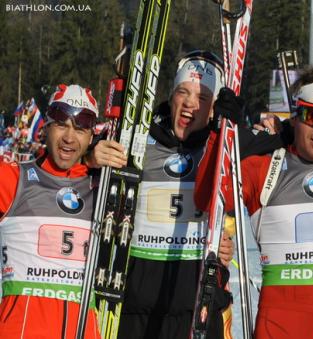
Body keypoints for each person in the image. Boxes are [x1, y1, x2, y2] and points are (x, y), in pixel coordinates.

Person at [195, 64, 313, 339]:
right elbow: (206, 200)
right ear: (294, 118)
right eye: (310, 115)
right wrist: (218, 133)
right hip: (279, 327)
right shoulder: (263, 168)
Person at [87, 50, 235, 339]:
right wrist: (89, 157)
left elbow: (288, 143)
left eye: (202, 98)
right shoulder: (137, 139)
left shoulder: (225, 145)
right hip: (136, 304)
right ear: (171, 95)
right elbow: (64, 162)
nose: (190, 103)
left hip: (199, 307)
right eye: (183, 92)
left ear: (214, 107)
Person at [0, 84, 100, 338]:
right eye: (61, 125)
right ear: (45, 127)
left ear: (91, 137)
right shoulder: (14, 178)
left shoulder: (102, 188)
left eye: (79, 129)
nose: (69, 137)